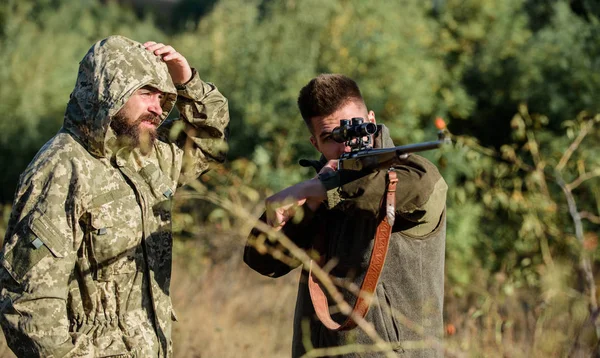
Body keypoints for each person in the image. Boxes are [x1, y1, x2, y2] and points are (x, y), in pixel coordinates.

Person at [0, 35, 229, 357]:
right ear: (107, 90)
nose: (157, 106)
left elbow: (210, 143)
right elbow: (29, 306)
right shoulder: (61, 168)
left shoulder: (143, 154)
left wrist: (187, 81)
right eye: (146, 92)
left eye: (163, 96)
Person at [244, 74, 447, 357]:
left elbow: (399, 190)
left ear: (372, 120)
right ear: (315, 143)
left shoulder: (415, 172)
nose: (348, 144)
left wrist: (324, 190)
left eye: (356, 128)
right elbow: (263, 261)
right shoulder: (318, 192)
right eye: (332, 138)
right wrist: (309, 203)